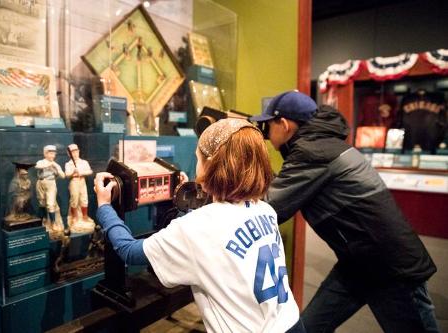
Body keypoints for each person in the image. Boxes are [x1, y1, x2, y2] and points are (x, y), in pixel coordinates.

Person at [250, 90, 439, 333]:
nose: (266, 133)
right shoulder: (323, 144)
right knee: (307, 329)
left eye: (267, 125)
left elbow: (271, 208)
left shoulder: (312, 152)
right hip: (359, 262)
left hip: (389, 268)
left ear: (284, 124)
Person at [94, 118, 305, 333]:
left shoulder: (197, 227)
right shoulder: (266, 210)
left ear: (210, 165)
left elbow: (129, 251)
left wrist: (104, 207)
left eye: (198, 158)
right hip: (292, 322)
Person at [65, 143, 94, 233]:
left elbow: (90, 171)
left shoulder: (83, 162)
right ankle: (74, 217)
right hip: (74, 181)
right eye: (72, 152)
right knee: (74, 199)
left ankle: (85, 216)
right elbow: (66, 174)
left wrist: (80, 172)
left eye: (76, 151)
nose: (75, 154)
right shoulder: (68, 164)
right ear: (69, 154)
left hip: (82, 181)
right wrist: (73, 171)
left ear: (78, 152)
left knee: (84, 198)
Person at [36, 145, 65, 233]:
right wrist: (49, 164)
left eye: (54, 154)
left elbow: (63, 176)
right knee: (42, 203)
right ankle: (42, 222)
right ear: (45, 154)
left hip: (50, 183)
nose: (52, 156)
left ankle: (53, 223)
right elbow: (37, 166)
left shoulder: (55, 164)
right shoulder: (41, 162)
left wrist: (55, 167)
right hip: (40, 183)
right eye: (50, 153)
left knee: (50, 204)